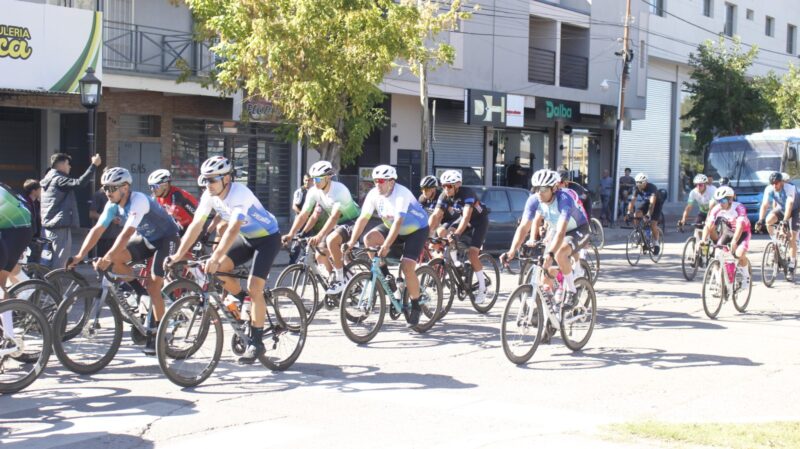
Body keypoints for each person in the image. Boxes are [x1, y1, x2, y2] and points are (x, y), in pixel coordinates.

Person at [166, 156, 282, 364]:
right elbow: (196, 226)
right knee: (218, 270)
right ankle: (244, 300)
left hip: (267, 239)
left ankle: (257, 342)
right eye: (205, 179)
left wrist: (216, 256)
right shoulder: (209, 195)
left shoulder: (240, 194)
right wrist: (178, 255)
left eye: (212, 179)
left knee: (254, 287)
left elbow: (233, 228)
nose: (207, 184)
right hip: (246, 238)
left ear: (226, 178)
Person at [67, 167, 180, 355]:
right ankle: (141, 293)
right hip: (147, 239)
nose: (107, 192)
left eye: (111, 188)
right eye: (105, 188)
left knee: (154, 285)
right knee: (115, 262)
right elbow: (97, 229)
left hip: (167, 238)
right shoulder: (112, 205)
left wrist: (107, 257)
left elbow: (126, 234)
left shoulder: (139, 201)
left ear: (125, 188)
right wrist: (79, 255)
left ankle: (159, 334)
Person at [344, 165, 430, 326]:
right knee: (369, 239)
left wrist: (386, 245)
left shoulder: (401, 193)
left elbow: (398, 222)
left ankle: (416, 305)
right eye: (375, 181)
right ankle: (387, 278)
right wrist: (351, 241)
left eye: (381, 181)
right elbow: (363, 219)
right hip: (392, 227)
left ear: (391, 182)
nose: (378, 184)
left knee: (407, 267)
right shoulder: (373, 194)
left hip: (416, 230)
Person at [500, 169, 590, 307]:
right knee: (546, 274)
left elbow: (561, 232)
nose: (539, 192)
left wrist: (551, 253)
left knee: (559, 253)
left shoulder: (564, 199)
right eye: (536, 188)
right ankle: (550, 309)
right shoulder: (534, 199)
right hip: (556, 229)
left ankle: (572, 291)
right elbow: (524, 227)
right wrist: (511, 251)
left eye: (543, 189)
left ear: (554, 188)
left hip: (578, 229)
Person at [282, 161, 361, 294]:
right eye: (313, 179)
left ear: (328, 177)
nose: (315, 182)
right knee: (320, 254)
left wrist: (319, 236)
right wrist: (292, 234)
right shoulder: (314, 191)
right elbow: (305, 215)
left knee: (331, 240)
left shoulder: (339, 190)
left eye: (318, 179)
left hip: (352, 221)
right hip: (337, 224)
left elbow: (334, 217)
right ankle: (337, 282)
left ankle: (341, 279)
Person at [427, 170, 491, 304]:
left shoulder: (467, 193)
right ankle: (456, 263)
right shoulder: (444, 195)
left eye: (449, 186)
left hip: (479, 221)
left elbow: (467, 216)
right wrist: (426, 233)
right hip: (463, 220)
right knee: (446, 232)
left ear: (457, 185)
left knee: (472, 254)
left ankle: (482, 288)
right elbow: (436, 215)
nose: (446, 189)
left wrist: (457, 234)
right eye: (443, 186)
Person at [40, 152, 102, 269]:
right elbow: (80, 183)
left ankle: (45, 280)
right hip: (59, 226)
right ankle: (55, 281)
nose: (70, 167)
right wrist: (93, 165)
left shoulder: (48, 179)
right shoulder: (58, 179)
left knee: (49, 260)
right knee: (60, 262)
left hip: (49, 225)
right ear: (62, 164)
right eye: (68, 164)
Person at [703, 186, 752, 291]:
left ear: (730, 199)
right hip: (728, 231)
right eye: (718, 201)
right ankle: (720, 284)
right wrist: (703, 240)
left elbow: (740, 226)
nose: (720, 203)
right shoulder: (717, 209)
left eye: (723, 200)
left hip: (743, 232)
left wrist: (734, 241)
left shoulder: (739, 207)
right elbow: (708, 225)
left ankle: (746, 277)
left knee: (739, 254)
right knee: (718, 255)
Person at [756, 171, 799, 272]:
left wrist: (784, 221)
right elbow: (765, 204)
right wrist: (760, 219)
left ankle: (792, 264)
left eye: (776, 183)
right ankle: (775, 242)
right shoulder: (769, 189)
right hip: (782, 209)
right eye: (772, 183)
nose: (774, 185)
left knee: (792, 238)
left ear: (782, 182)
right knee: (768, 221)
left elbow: (789, 204)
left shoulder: (790, 188)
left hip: (795, 210)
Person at [0, 182, 34, 295]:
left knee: (1, 282)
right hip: (8, 226)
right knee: (11, 270)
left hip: (18, 230)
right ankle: (26, 287)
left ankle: (28, 291)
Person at [147, 169, 199, 235]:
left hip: (195, 225)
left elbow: (171, 215)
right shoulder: (156, 197)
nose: (152, 189)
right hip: (180, 226)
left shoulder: (177, 195)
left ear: (165, 185)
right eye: (150, 186)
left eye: (155, 186)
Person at [626, 172, 663, 256]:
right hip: (647, 203)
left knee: (653, 224)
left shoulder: (652, 188)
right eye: (637, 184)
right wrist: (628, 212)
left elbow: (652, 203)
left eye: (641, 184)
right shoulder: (637, 188)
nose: (639, 186)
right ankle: (639, 233)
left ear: (645, 182)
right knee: (636, 215)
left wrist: (648, 215)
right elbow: (632, 201)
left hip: (656, 205)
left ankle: (656, 243)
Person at [20, 180, 43, 263]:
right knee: (30, 262)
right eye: (39, 189)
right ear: (34, 191)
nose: (41, 191)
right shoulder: (25, 203)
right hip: (29, 238)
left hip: (34, 237)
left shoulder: (35, 202)